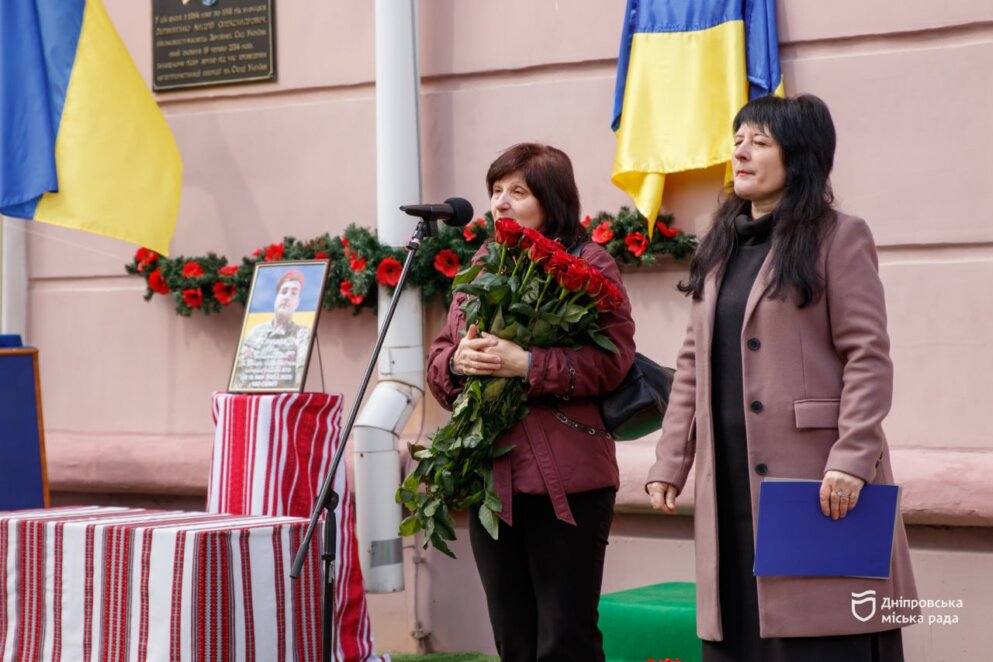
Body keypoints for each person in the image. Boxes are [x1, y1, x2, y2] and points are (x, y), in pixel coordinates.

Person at [645, 95, 918, 661]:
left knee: (815, 637)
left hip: (815, 482)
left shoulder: (839, 236)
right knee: (740, 626)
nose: (740, 151)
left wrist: (851, 460)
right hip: (728, 484)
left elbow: (868, 356)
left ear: (800, 158)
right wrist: (672, 459)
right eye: (738, 138)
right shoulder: (717, 243)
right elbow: (692, 360)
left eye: (759, 141)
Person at [426, 143, 636, 661]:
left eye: (517, 192)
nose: (500, 202)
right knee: (513, 640)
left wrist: (527, 363)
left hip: (566, 480)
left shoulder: (590, 264)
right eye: (496, 191)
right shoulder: (481, 265)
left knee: (565, 641)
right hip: (492, 481)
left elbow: (614, 362)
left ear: (552, 198)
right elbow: (441, 353)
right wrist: (459, 362)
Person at [232, 268, 311, 390]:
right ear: (276, 298)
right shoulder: (255, 332)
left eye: (293, 293)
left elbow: (299, 380)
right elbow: (239, 378)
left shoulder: (302, 334)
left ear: (297, 303)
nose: (287, 297)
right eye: (283, 292)